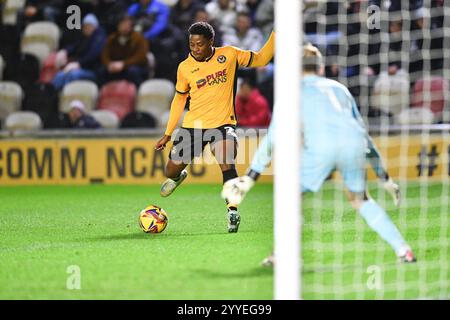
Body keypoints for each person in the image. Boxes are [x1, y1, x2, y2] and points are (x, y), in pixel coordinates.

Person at [222, 44, 415, 264]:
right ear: (320, 67)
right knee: (360, 200)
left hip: (322, 147)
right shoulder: (339, 89)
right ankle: (403, 249)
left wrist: (250, 176)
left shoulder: (291, 93)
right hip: (354, 144)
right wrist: (385, 177)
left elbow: (273, 138)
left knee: (288, 199)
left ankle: (282, 254)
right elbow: (364, 134)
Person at [154, 22, 275, 233]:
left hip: (223, 124)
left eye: (199, 44)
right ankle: (178, 177)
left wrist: (277, 33)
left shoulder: (229, 55)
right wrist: (167, 133)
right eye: (191, 44)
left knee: (226, 162)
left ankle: (232, 211)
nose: (195, 49)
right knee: (170, 169)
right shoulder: (184, 67)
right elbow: (179, 100)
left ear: (211, 42)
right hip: (194, 126)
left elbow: (263, 58)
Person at [52, 14, 106, 91]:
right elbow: (74, 46)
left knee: (72, 75)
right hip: (80, 68)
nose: (85, 29)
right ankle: (52, 95)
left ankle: (65, 96)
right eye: (84, 26)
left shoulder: (99, 38)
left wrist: (78, 64)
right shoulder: (84, 37)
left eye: (88, 26)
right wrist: (64, 51)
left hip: (93, 71)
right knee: (60, 75)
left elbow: (93, 55)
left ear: (94, 26)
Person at [99, 15, 149, 87]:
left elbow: (141, 57)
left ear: (131, 26)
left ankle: (137, 94)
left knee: (133, 72)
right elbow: (104, 55)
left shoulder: (139, 38)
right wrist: (109, 64)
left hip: (133, 65)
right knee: (101, 71)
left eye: (127, 24)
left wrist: (124, 64)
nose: (124, 27)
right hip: (115, 65)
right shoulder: (112, 38)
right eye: (122, 24)